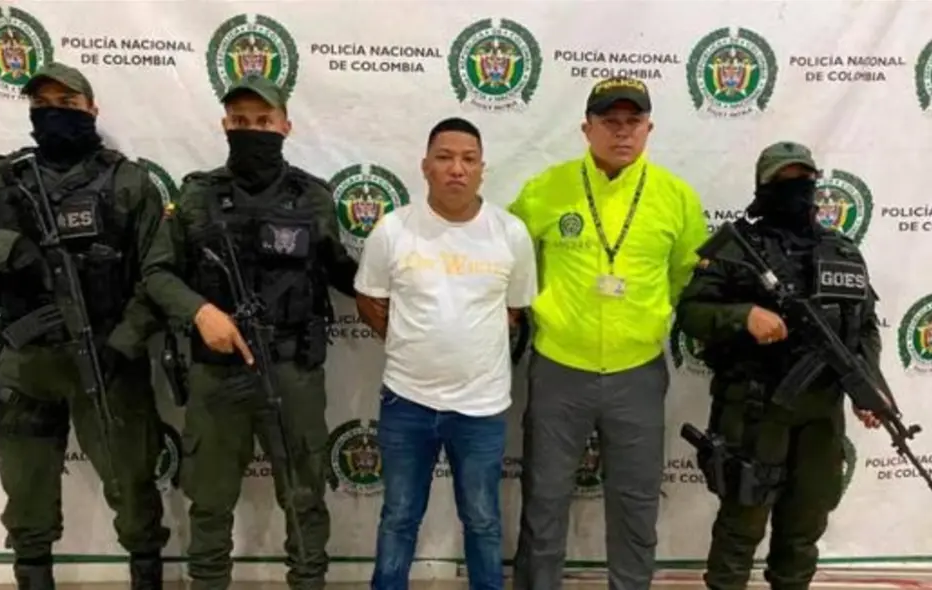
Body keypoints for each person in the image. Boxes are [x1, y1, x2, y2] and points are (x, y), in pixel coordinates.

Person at [0, 62, 169, 590]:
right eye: (42, 105)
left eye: (67, 104)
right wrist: (7, 246)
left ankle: (147, 577)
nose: (54, 114)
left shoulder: (128, 182)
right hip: (26, 366)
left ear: (92, 109)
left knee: (133, 488)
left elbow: (160, 274)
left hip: (108, 359)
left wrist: (125, 341)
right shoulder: (2, 178)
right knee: (27, 496)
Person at [140, 73, 358, 590]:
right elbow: (156, 273)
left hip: (292, 370)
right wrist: (199, 312)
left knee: (305, 496)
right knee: (210, 500)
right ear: (224, 125)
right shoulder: (196, 197)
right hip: (218, 373)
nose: (252, 129)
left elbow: (343, 274)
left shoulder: (314, 198)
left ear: (285, 125)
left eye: (263, 121)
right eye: (240, 121)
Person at [507, 76, 709, 590]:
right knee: (545, 500)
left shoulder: (676, 198)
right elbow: (506, 262)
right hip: (558, 370)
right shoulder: (544, 190)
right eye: (609, 122)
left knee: (636, 504)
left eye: (633, 122)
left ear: (648, 128)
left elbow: (693, 282)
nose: (622, 132)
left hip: (637, 373)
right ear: (586, 128)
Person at [676, 142, 885, 590]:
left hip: (821, 415)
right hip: (755, 408)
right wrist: (743, 317)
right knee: (742, 522)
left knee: (805, 523)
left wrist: (869, 388)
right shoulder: (737, 249)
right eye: (784, 181)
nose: (797, 190)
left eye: (804, 180)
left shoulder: (843, 252)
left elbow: (864, 327)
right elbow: (692, 312)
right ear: (763, 187)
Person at [355, 117, 537, 590]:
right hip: (406, 401)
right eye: (445, 157)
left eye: (468, 159)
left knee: (482, 520)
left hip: (481, 407)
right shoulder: (393, 230)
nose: (457, 168)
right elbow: (370, 299)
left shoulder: (510, 233)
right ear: (425, 167)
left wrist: (464, 344)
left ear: (482, 170)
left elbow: (514, 310)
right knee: (398, 517)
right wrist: (409, 343)